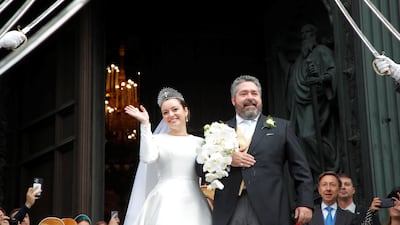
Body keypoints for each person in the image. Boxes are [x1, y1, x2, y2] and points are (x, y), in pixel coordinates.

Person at [200, 75, 314, 225]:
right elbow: (200, 168)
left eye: (254, 93)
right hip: (231, 207)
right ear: (233, 100)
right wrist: (226, 159)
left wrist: (305, 202)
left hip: (271, 207)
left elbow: (301, 170)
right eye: (244, 94)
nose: (250, 97)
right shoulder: (218, 130)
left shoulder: (282, 128)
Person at [123, 87, 212, 225]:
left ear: (186, 111)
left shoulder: (200, 142)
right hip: (165, 200)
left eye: (175, 109)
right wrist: (145, 125)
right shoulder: (158, 140)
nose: (171, 115)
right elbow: (147, 158)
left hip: (194, 201)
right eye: (165, 112)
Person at [280, 24, 339, 187]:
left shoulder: (321, 51)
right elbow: (291, 73)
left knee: (308, 136)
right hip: (299, 104)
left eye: (308, 33)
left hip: (315, 102)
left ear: (315, 35)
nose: (305, 36)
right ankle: (315, 176)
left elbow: (333, 71)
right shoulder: (301, 58)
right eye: (302, 34)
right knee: (299, 141)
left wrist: (320, 80)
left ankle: (329, 167)